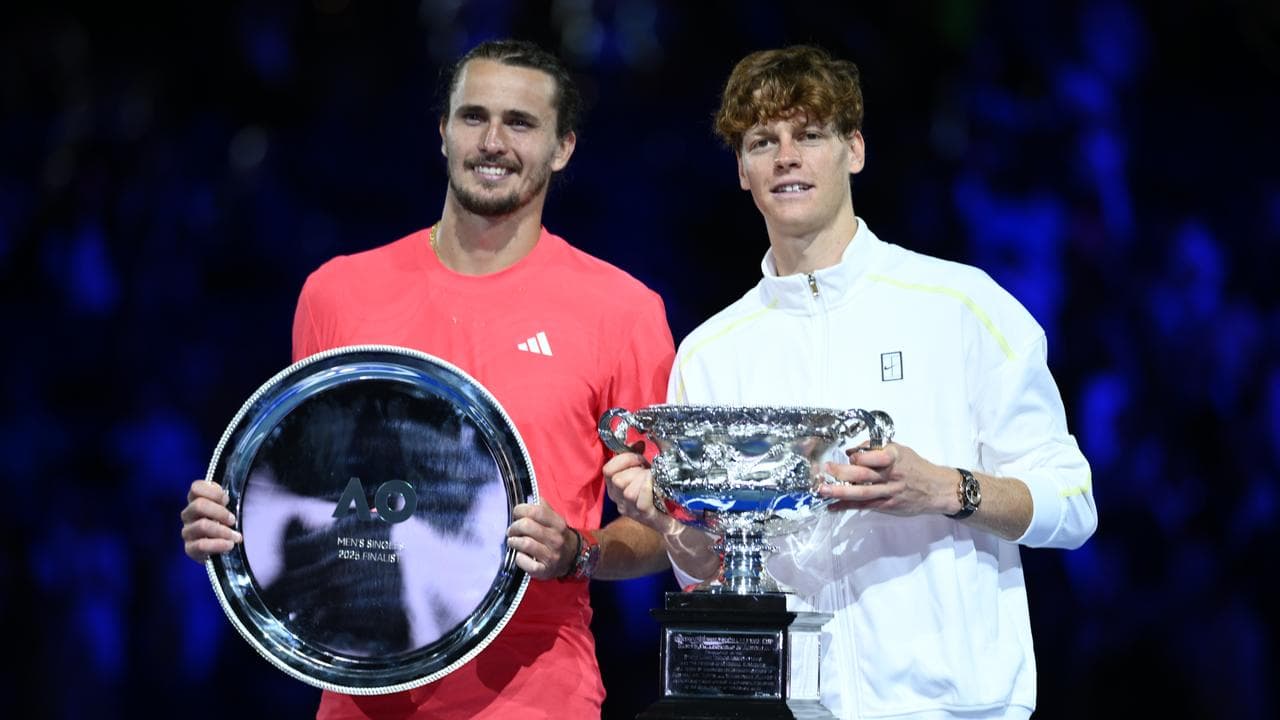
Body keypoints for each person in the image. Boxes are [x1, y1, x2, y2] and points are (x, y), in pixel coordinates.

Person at [180, 39, 675, 719]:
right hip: (360, 691)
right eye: (473, 117)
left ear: (563, 148)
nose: (492, 141)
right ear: (442, 133)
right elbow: (315, 490)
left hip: (533, 692)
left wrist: (578, 552)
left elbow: (672, 531)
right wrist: (235, 520)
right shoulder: (338, 295)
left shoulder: (622, 312)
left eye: (520, 123)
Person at [605, 45, 1097, 720]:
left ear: (854, 151)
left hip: (955, 709)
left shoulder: (961, 306)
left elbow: (1072, 504)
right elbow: (707, 574)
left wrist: (944, 488)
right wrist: (670, 522)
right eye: (762, 141)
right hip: (785, 707)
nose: (787, 157)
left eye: (809, 135)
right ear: (742, 171)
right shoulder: (712, 352)